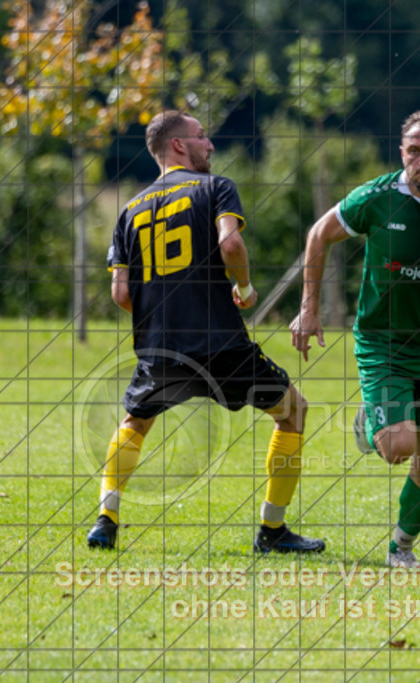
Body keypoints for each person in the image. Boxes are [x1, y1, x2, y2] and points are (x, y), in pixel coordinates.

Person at [88, 110, 325, 555]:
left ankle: (107, 518)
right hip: (219, 342)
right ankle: (272, 531)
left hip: (161, 348)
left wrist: (164, 315)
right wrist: (244, 289)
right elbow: (230, 243)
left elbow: (121, 293)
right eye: (201, 136)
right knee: (293, 411)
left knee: (135, 422)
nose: (210, 144)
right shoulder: (215, 187)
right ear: (178, 145)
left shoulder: (128, 210)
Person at [290, 108, 420, 568]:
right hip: (383, 343)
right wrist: (309, 308)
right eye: (415, 150)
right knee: (398, 446)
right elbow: (318, 235)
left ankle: (401, 547)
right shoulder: (377, 197)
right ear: (401, 151)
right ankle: (373, 422)